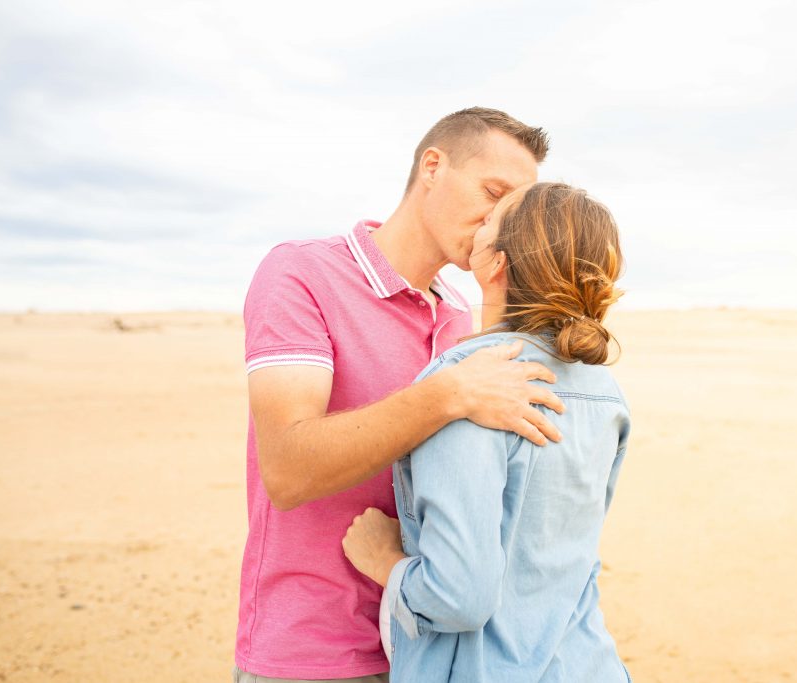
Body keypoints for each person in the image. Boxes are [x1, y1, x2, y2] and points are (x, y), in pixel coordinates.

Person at [235, 108, 567, 683]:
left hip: (432, 647)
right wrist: (448, 395)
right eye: (493, 192)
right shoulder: (301, 274)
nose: (501, 223)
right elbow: (286, 471)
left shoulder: (462, 319)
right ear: (432, 167)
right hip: (313, 653)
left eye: (513, 211)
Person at [342, 182, 633, 682]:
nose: (478, 223)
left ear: (497, 264)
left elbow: (460, 597)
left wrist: (386, 561)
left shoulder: (470, 383)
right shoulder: (605, 391)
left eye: (492, 219)